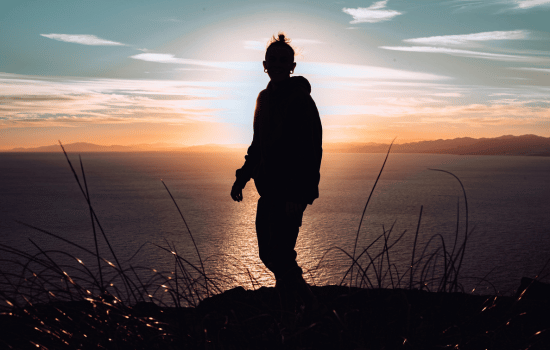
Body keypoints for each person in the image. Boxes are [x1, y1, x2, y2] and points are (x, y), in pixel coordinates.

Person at [230, 33, 323, 308]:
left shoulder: (301, 100)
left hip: (290, 193)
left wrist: (299, 193)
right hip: (268, 191)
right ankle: (297, 308)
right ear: (264, 65)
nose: (279, 64)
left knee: (280, 255)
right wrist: (242, 177)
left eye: (285, 60)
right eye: (274, 60)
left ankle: (306, 309)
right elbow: (258, 144)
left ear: (293, 66)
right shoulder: (263, 99)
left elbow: (311, 149)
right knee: (269, 254)